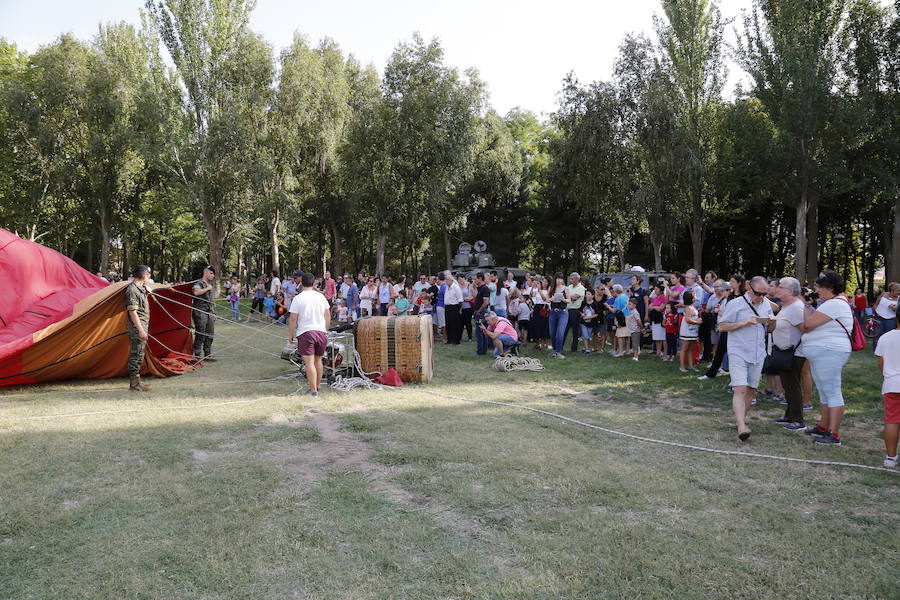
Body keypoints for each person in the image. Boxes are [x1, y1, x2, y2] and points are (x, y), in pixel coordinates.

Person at [797, 270, 855, 446]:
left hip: (830, 352)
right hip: (826, 352)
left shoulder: (834, 304)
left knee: (832, 391)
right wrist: (806, 307)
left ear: (829, 287)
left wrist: (803, 306)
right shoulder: (834, 303)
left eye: (819, 287)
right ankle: (823, 426)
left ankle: (834, 434)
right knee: (825, 390)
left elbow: (807, 326)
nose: (816, 290)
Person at [717, 276, 774, 442]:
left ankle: (740, 419)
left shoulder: (766, 304)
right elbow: (722, 326)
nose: (762, 297)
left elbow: (770, 330)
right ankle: (742, 426)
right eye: (758, 293)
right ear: (749, 288)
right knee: (740, 389)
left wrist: (772, 322)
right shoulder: (736, 304)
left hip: (758, 353)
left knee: (751, 390)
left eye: (765, 294)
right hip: (738, 351)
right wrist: (743, 323)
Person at [288, 272, 332, 397]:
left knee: (310, 363)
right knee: (318, 360)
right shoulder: (320, 297)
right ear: (314, 284)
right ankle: (317, 386)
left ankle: (313, 391)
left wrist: (290, 334)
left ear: (301, 284)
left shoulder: (298, 298)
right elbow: (327, 315)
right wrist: (326, 330)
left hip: (306, 333)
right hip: (320, 332)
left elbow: (292, 319)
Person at [875, 312, 900, 467]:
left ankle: (891, 457)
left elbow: (881, 363)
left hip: (892, 384)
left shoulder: (885, 337)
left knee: (892, 420)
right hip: (892, 383)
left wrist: (889, 377)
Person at [125, 265, 152, 392]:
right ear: (144, 275)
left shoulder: (139, 288)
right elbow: (133, 312)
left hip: (142, 325)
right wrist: (141, 330)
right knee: (136, 355)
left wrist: (146, 289)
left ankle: (137, 382)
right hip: (137, 327)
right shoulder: (132, 290)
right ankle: (134, 384)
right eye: (148, 275)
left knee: (139, 354)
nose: (149, 277)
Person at [192, 266, 217, 363]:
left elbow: (210, 301)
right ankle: (196, 357)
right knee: (200, 334)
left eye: (213, 274)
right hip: (199, 311)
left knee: (210, 334)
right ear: (205, 272)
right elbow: (196, 292)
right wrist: (207, 289)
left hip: (208, 312)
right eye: (211, 273)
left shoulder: (209, 285)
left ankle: (207, 355)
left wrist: (213, 313)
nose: (213, 276)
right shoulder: (199, 283)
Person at [548, 273, 571, 359]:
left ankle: (558, 352)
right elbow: (546, 299)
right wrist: (551, 299)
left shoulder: (566, 288)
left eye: (561, 279)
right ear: (555, 279)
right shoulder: (551, 288)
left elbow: (569, 300)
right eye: (558, 279)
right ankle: (554, 350)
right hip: (553, 312)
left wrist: (563, 300)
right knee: (552, 333)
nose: (559, 280)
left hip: (563, 312)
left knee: (560, 333)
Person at [679, 290, 701, 373]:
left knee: (691, 349)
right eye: (694, 295)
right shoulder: (688, 308)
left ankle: (691, 366)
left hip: (693, 331)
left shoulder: (692, 307)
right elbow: (688, 320)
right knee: (684, 349)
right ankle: (682, 366)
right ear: (691, 298)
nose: (696, 296)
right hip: (687, 331)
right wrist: (697, 322)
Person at [872, 282, 898, 351]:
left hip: (891, 320)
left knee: (888, 335)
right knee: (877, 334)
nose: (899, 292)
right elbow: (875, 304)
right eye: (898, 290)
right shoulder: (883, 294)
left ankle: (887, 350)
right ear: (892, 290)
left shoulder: (899, 298)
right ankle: (876, 350)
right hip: (878, 318)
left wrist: (895, 308)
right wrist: (873, 314)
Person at [473, 272, 492, 356]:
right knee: (481, 332)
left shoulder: (485, 289)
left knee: (480, 332)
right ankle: (483, 350)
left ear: (480, 279)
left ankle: (480, 351)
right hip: (479, 312)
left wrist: (479, 311)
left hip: (481, 313)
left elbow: (486, 302)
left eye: (475, 279)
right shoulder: (480, 288)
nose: (474, 280)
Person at [566, 272, 585, 353]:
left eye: (572, 279)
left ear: (577, 279)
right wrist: (568, 297)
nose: (570, 280)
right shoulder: (569, 287)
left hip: (575, 311)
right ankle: (559, 347)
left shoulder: (581, 288)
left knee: (575, 331)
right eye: (570, 278)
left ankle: (574, 348)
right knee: (564, 330)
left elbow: (574, 298)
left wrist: (567, 297)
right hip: (567, 310)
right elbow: (565, 296)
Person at [531, 276, 551, 351]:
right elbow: (531, 295)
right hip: (537, 307)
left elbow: (545, 298)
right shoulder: (538, 290)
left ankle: (542, 345)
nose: (544, 283)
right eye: (543, 281)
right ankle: (537, 344)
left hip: (544, 308)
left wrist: (539, 290)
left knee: (543, 326)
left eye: (546, 282)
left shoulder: (548, 290)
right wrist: (533, 288)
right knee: (535, 325)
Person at [443, 270, 463, 344]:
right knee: (448, 324)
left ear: (452, 280)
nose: (446, 281)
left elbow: (460, 299)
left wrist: (459, 308)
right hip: (447, 307)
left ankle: (456, 340)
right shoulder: (446, 288)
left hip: (454, 307)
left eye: (448, 280)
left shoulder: (456, 287)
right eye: (446, 280)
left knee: (455, 324)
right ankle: (449, 339)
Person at [648, 280, 667, 357]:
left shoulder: (664, 297)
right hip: (654, 319)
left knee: (662, 337)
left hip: (660, 318)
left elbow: (661, 308)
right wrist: (655, 307)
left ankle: (665, 352)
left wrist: (654, 307)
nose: (655, 290)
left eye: (656, 289)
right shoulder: (654, 298)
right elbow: (649, 307)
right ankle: (658, 352)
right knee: (656, 337)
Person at [579, 289, 599, 355]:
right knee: (585, 335)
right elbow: (580, 310)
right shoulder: (583, 303)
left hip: (591, 323)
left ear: (592, 296)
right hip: (583, 323)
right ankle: (587, 349)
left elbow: (596, 314)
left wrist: (588, 317)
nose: (586, 295)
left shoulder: (594, 304)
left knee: (588, 335)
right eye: (586, 294)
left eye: (588, 294)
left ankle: (585, 348)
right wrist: (582, 314)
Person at [459, 274, 475, 341]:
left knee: (468, 322)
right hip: (461, 306)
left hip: (468, 306)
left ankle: (470, 337)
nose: (459, 281)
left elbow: (474, 296)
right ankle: (459, 337)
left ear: (464, 278)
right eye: (458, 280)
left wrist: (469, 298)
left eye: (460, 279)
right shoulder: (459, 286)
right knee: (460, 323)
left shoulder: (469, 285)